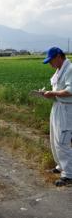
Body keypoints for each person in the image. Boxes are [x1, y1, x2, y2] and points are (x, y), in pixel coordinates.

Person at [43, 46, 72, 186]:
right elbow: (57, 90)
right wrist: (48, 94)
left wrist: (53, 94)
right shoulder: (59, 70)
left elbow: (69, 91)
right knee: (54, 137)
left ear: (59, 57)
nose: (50, 64)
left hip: (67, 109)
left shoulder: (70, 69)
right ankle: (60, 166)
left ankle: (69, 174)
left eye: (51, 61)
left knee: (62, 141)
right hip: (58, 106)